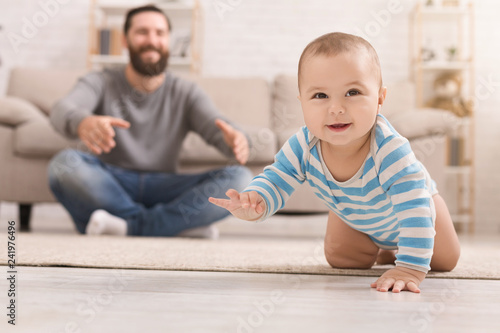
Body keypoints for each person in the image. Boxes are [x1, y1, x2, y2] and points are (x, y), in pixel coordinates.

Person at [209, 32, 461, 292]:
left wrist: (410, 267)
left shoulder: (389, 150)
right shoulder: (304, 145)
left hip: (418, 211)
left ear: (380, 99)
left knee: (444, 260)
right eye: (320, 96)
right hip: (356, 218)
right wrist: (257, 200)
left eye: (352, 92)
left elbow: (414, 208)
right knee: (341, 260)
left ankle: (400, 253)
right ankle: (385, 251)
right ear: (302, 104)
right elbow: (278, 176)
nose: (336, 108)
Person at [48, 5, 253, 238]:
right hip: (113, 184)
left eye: (160, 33)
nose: (152, 40)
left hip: (166, 187)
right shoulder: (100, 81)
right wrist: (82, 122)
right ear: (125, 40)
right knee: (63, 164)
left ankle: (126, 226)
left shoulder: (185, 91)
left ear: (168, 40)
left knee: (242, 179)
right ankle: (174, 226)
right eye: (142, 32)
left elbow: (219, 127)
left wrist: (237, 140)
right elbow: (60, 109)